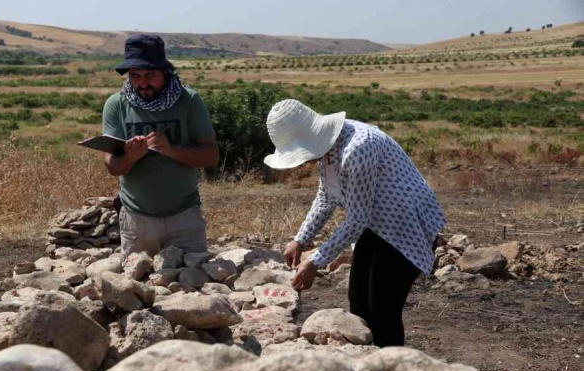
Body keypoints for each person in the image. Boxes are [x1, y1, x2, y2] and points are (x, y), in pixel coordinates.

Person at [264, 99, 446, 347]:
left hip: (406, 227)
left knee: (383, 312)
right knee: (359, 303)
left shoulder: (358, 147)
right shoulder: (328, 151)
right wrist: (300, 239)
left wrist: (315, 261)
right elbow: (326, 196)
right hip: (376, 225)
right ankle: (369, 366)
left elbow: (357, 219)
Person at [102, 34, 219, 257]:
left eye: (150, 75)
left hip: (184, 219)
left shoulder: (189, 101)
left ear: (165, 72)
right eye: (135, 76)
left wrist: (171, 150)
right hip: (137, 220)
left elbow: (211, 156)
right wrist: (129, 158)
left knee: (192, 288)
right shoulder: (116, 105)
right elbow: (112, 166)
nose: (143, 83)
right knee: (137, 287)